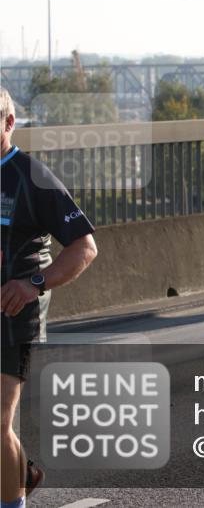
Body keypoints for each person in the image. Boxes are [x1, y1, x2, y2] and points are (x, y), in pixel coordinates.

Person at [2, 87, 98, 508]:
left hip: (12, 315)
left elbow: (84, 247)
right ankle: (22, 471)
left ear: (9, 123)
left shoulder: (32, 175)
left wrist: (34, 284)